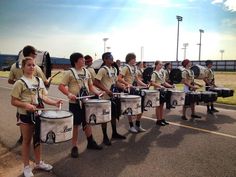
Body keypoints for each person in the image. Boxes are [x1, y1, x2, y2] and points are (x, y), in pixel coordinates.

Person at [11, 56, 62, 177]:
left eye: (33, 65)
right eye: (29, 65)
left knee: (38, 140)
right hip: (25, 116)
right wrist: (26, 105)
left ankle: (38, 163)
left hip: (39, 114)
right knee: (27, 141)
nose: (32, 67)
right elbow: (13, 101)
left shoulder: (39, 80)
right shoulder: (20, 83)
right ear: (23, 67)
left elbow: (43, 97)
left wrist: (54, 103)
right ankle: (26, 167)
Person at [58, 52, 103, 158]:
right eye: (82, 59)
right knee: (75, 125)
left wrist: (98, 92)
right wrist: (69, 94)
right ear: (76, 61)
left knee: (87, 122)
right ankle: (74, 146)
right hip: (75, 103)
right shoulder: (69, 72)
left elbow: (91, 86)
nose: (84, 60)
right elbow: (61, 86)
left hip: (86, 102)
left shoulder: (86, 71)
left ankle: (90, 142)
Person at [8, 45, 50, 144]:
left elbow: (10, 80)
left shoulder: (14, 65)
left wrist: (19, 85)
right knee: (34, 119)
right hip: (32, 100)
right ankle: (34, 138)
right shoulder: (35, 67)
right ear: (31, 54)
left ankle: (23, 137)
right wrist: (48, 80)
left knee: (21, 116)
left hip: (20, 100)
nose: (35, 55)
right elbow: (45, 82)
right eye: (35, 53)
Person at [94, 52, 126, 146]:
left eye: (112, 57)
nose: (112, 59)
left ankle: (114, 133)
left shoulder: (114, 69)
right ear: (105, 59)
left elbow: (115, 82)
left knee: (113, 115)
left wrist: (123, 87)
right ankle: (105, 137)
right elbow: (96, 82)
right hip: (105, 97)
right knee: (104, 117)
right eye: (110, 58)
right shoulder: (102, 70)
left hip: (113, 96)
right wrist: (106, 90)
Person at [118, 53, 147, 133]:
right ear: (129, 59)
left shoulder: (134, 68)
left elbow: (137, 79)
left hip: (134, 89)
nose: (135, 60)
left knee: (140, 106)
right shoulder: (125, 67)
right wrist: (127, 84)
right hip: (128, 90)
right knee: (130, 108)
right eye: (134, 58)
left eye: (135, 58)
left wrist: (145, 85)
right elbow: (119, 78)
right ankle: (131, 126)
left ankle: (137, 124)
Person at [150, 61, 174, 126]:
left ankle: (162, 119)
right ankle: (158, 120)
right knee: (158, 106)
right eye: (160, 64)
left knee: (162, 106)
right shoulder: (154, 73)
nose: (161, 66)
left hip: (162, 91)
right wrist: (159, 86)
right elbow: (152, 83)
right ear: (156, 65)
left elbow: (164, 82)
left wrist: (171, 86)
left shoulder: (161, 73)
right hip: (157, 91)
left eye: (161, 65)